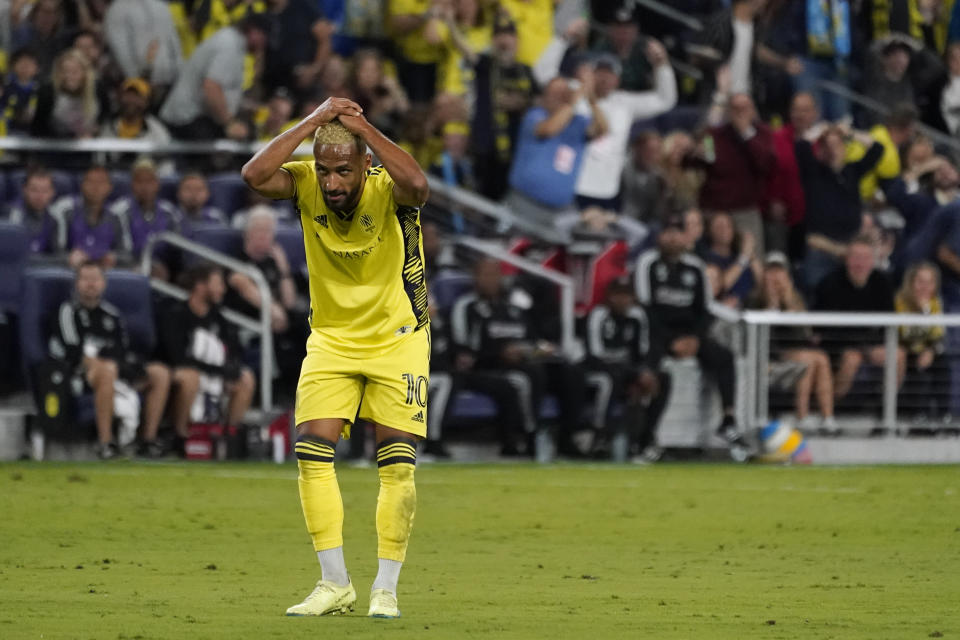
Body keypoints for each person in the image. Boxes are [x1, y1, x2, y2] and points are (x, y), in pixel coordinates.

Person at [241, 96, 431, 618]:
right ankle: (335, 583)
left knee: (395, 462)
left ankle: (386, 590)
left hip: (399, 336)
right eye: (324, 170)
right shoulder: (304, 183)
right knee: (310, 452)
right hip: (330, 337)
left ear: (365, 163)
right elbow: (255, 175)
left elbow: (420, 186)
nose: (331, 183)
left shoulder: (390, 187)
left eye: (343, 171)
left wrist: (361, 126)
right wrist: (314, 122)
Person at [450, 257, 592, 456]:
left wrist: (543, 349)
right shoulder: (467, 307)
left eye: (495, 275)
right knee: (529, 376)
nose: (491, 280)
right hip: (487, 366)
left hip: (525, 360)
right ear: (475, 278)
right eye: (486, 275)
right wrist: (499, 353)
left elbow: (533, 339)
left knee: (571, 372)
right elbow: (462, 351)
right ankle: (527, 438)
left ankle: (567, 439)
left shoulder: (513, 308)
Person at [635, 213, 748, 459]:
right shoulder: (648, 263)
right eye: (668, 233)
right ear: (660, 236)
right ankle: (646, 438)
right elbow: (646, 307)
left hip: (688, 334)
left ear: (686, 237)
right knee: (652, 370)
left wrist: (695, 339)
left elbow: (704, 310)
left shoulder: (695, 267)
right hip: (656, 333)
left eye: (678, 233)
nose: (673, 238)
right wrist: (670, 341)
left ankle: (728, 419)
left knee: (724, 357)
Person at [47, 261, 171, 459]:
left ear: (103, 283)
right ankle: (106, 442)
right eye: (85, 279)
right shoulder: (67, 311)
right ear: (77, 283)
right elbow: (72, 351)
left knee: (160, 373)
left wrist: (129, 370)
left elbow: (121, 349)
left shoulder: (111, 315)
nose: (91, 284)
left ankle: (148, 440)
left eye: (95, 279)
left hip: (114, 370)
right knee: (107, 370)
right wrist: (105, 366)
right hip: (76, 373)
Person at [573, 41, 677, 213]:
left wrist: (662, 65)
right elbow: (544, 75)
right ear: (590, 74)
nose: (605, 78)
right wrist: (562, 41)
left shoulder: (624, 103)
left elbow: (666, 101)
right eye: (600, 72)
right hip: (573, 182)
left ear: (618, 80)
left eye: (610, 74)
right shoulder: (575, 93)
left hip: (607, 189)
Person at [160, 264, 256, 448]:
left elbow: (234, 349)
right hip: (182, 370)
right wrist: (218, 371)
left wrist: (228, 371)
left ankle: (228, 437)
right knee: (191, 377)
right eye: (218, 283)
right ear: (200, 286)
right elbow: (177, 356)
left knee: (245, 378)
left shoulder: (218, 318)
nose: (223, 289)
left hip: (213, 372)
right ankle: (181, 435)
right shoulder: (176, 314)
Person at [505, 74, 607, 238]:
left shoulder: (578, 122)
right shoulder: (535, 115)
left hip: (559, 212)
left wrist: (592, 100)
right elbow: (549, 130)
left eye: (563, 93)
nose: (559, 97)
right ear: (545, 96)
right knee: (511, 252)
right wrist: (571, 103)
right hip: (524, 204)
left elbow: (602, 129)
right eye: (554, 93)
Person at [584, 276, 671, 461]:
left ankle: (646, 437)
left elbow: (644, 351)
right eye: (617, 295)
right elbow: (595, 354)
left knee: (663, 378)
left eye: (626, 295)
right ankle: (600, 436)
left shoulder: (637, 316)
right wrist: (635, 373)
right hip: (599, 369)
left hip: (628, 370)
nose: (622, 300)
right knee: (610, 380)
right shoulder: (598, 315)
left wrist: (644, 372)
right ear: (609, 296)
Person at [750, 251, 837, 433]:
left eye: (780, 272)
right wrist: (772, 305)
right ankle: (802, 416)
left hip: (795, 353)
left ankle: (828, 418)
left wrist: (789, 303)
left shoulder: (796, 299)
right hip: (767, 357)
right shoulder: (754, 299)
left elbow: (804, 335)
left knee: (819, 358)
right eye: (771, 272)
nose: (776, 277)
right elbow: (764, 339)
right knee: (808, 359)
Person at [813, 234, 905, 406]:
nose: (860, 263)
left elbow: (889, 321)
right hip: (838, 345)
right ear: (846, 259)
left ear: (873, 261)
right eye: (855, 257)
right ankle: (831, 409)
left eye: (865, 258)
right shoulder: (830, 283)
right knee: (852, 358)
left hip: (870, 343)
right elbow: (823, 327)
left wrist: (869, 346)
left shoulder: (882, 283)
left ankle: (886, 410)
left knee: (898, 355)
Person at [796, 123, 885, 291]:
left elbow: (878, 149)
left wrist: (850, 133)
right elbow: (801, 146)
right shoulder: (813, 171)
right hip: (821, 248)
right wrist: (821, 130)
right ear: (820, 149)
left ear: (844, 148)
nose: (833, 150)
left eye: (837, 144)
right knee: (816, 294)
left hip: (852, 249)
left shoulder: (852, 171)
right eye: (827, 145)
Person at [160, 15, 270, 140]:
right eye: (264, 38)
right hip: (186, 120)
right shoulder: (229, 45)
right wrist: (230, 123)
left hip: (193, 118)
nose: (264, 46)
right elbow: (211, 87)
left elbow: (222, 89)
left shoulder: (233, 43)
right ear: (253, 31)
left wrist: (242, 106)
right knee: (243, 140)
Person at [697, 93, 777, 258]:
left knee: (753, 258)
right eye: (735, 108)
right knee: (709, 257)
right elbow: (704, 161)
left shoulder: (764, 134)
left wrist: (746, 134)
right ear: (728, 111)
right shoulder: (713, 134)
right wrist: (696, 153)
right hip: (714, 208)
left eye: (744, 108)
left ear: (752, 110)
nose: (740, 112)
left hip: (745, 209)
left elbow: (765, 164)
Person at [895, 262, 949, 425]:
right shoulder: (900, 301)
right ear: (911, 283)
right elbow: (905, 333)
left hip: (927, 351)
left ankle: (943, 417)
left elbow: (938, 334)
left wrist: (930, 351)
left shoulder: (935, 303)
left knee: (943, 366)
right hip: (905, 351)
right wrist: (923, 312)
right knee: (918, 370)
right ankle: (918, 416)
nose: (925, 287)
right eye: (920, 282)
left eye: (929, 282)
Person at [110, 158, 180, 278]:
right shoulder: (118, 211)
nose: (145, 187)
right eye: (139, 181)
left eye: (150, 181)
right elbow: (117, 250)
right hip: (129, 270)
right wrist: (140, 266)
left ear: (157, 184)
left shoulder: (170, 211)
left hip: (165, 271)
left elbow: (178, 249)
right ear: (132, 184)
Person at [50, 165, 128, 270]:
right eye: (91, 182)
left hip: (105, 273)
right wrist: (68, 258)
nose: (96, 187)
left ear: (110, 187)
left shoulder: (117, 214)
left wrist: (114, 258)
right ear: (82, 185)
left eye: (101, 182)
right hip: (70, 271)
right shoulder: (65, 209)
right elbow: (53, 251)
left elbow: (126, 254)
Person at [103, 0, 183, 96]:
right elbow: (120, 49)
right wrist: (136, 80)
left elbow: (173, 41)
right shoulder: (118, 9)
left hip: (170, 78)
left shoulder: (161, 5)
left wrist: (179, 72)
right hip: (140, 82)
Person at [700, 211, 762, 309]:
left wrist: (751, 253)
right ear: (709, 231)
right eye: (719, 226)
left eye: (728, 226)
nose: (724, 230)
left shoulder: (741, 256)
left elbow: (762, 286)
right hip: (720, 310)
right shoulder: (706, 257)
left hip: (748, 309)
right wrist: (744, 257)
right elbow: (720, 286)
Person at [3, 167, 63, 258]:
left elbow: (56, 254)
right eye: (34, 190)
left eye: (44, 191)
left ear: (52, 192)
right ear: (24, 190)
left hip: (43, 268)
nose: (39, 196)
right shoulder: (11, 214)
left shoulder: (54, 218)